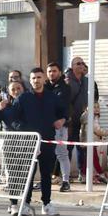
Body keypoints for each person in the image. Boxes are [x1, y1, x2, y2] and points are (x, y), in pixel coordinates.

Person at [0, 66, 69, 216]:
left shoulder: (52, 97)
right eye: (33, 78)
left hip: (47, 141)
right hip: (29, 143)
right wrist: (25, 131)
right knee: (28, 174)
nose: (36, 80)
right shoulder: (23, 98)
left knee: (46, 174)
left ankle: (46, 204)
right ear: (30, 81)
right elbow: (12, 119)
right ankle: (25, 203)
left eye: (39, 77)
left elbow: (64, 111)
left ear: (44, 79)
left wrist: (62, 120)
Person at [45, 62, 73, 192]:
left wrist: (62, 119)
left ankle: (66, 181)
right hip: (45, 126)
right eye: (49, 71)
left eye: (54, 71)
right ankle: (45, 180)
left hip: (59, 126)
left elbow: (62, 106)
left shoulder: (64, 88)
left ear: (60, 72)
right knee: (45, 155)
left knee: (62, 153)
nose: (52, 73)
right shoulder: (44, 87)